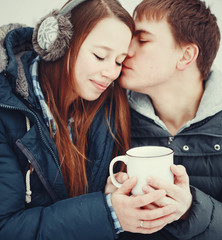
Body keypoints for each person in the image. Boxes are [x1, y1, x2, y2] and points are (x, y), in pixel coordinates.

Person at [0, 0, 166, 239]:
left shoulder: (110, 106)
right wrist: (106, 212)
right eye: (100, 56)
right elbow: (6, 229)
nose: (111, 72)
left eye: (119, 61)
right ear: (58, 43)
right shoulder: (7, 110)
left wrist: (112, 196)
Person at [111, 0, 222, 239]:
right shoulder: (110, 109)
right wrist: (105, 202)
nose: (126, 50)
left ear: (186, 55)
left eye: (143, 39)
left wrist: (190, 210)